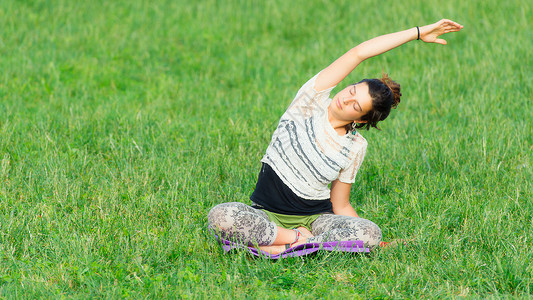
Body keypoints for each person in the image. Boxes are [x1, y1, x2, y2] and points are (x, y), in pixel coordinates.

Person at [208, 19, 464, 254]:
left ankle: (278, 246)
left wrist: (373, 238)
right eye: (352, 90)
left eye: (355, 105)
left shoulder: (354, 146)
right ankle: (297, 241)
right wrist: (417, 33)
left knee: (370, 232)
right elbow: (358, 53)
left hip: (315, 220)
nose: (346, 98)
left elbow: (340, 205)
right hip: (266, 215)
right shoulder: (310, 101)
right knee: (221, 216)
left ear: (361, 119)